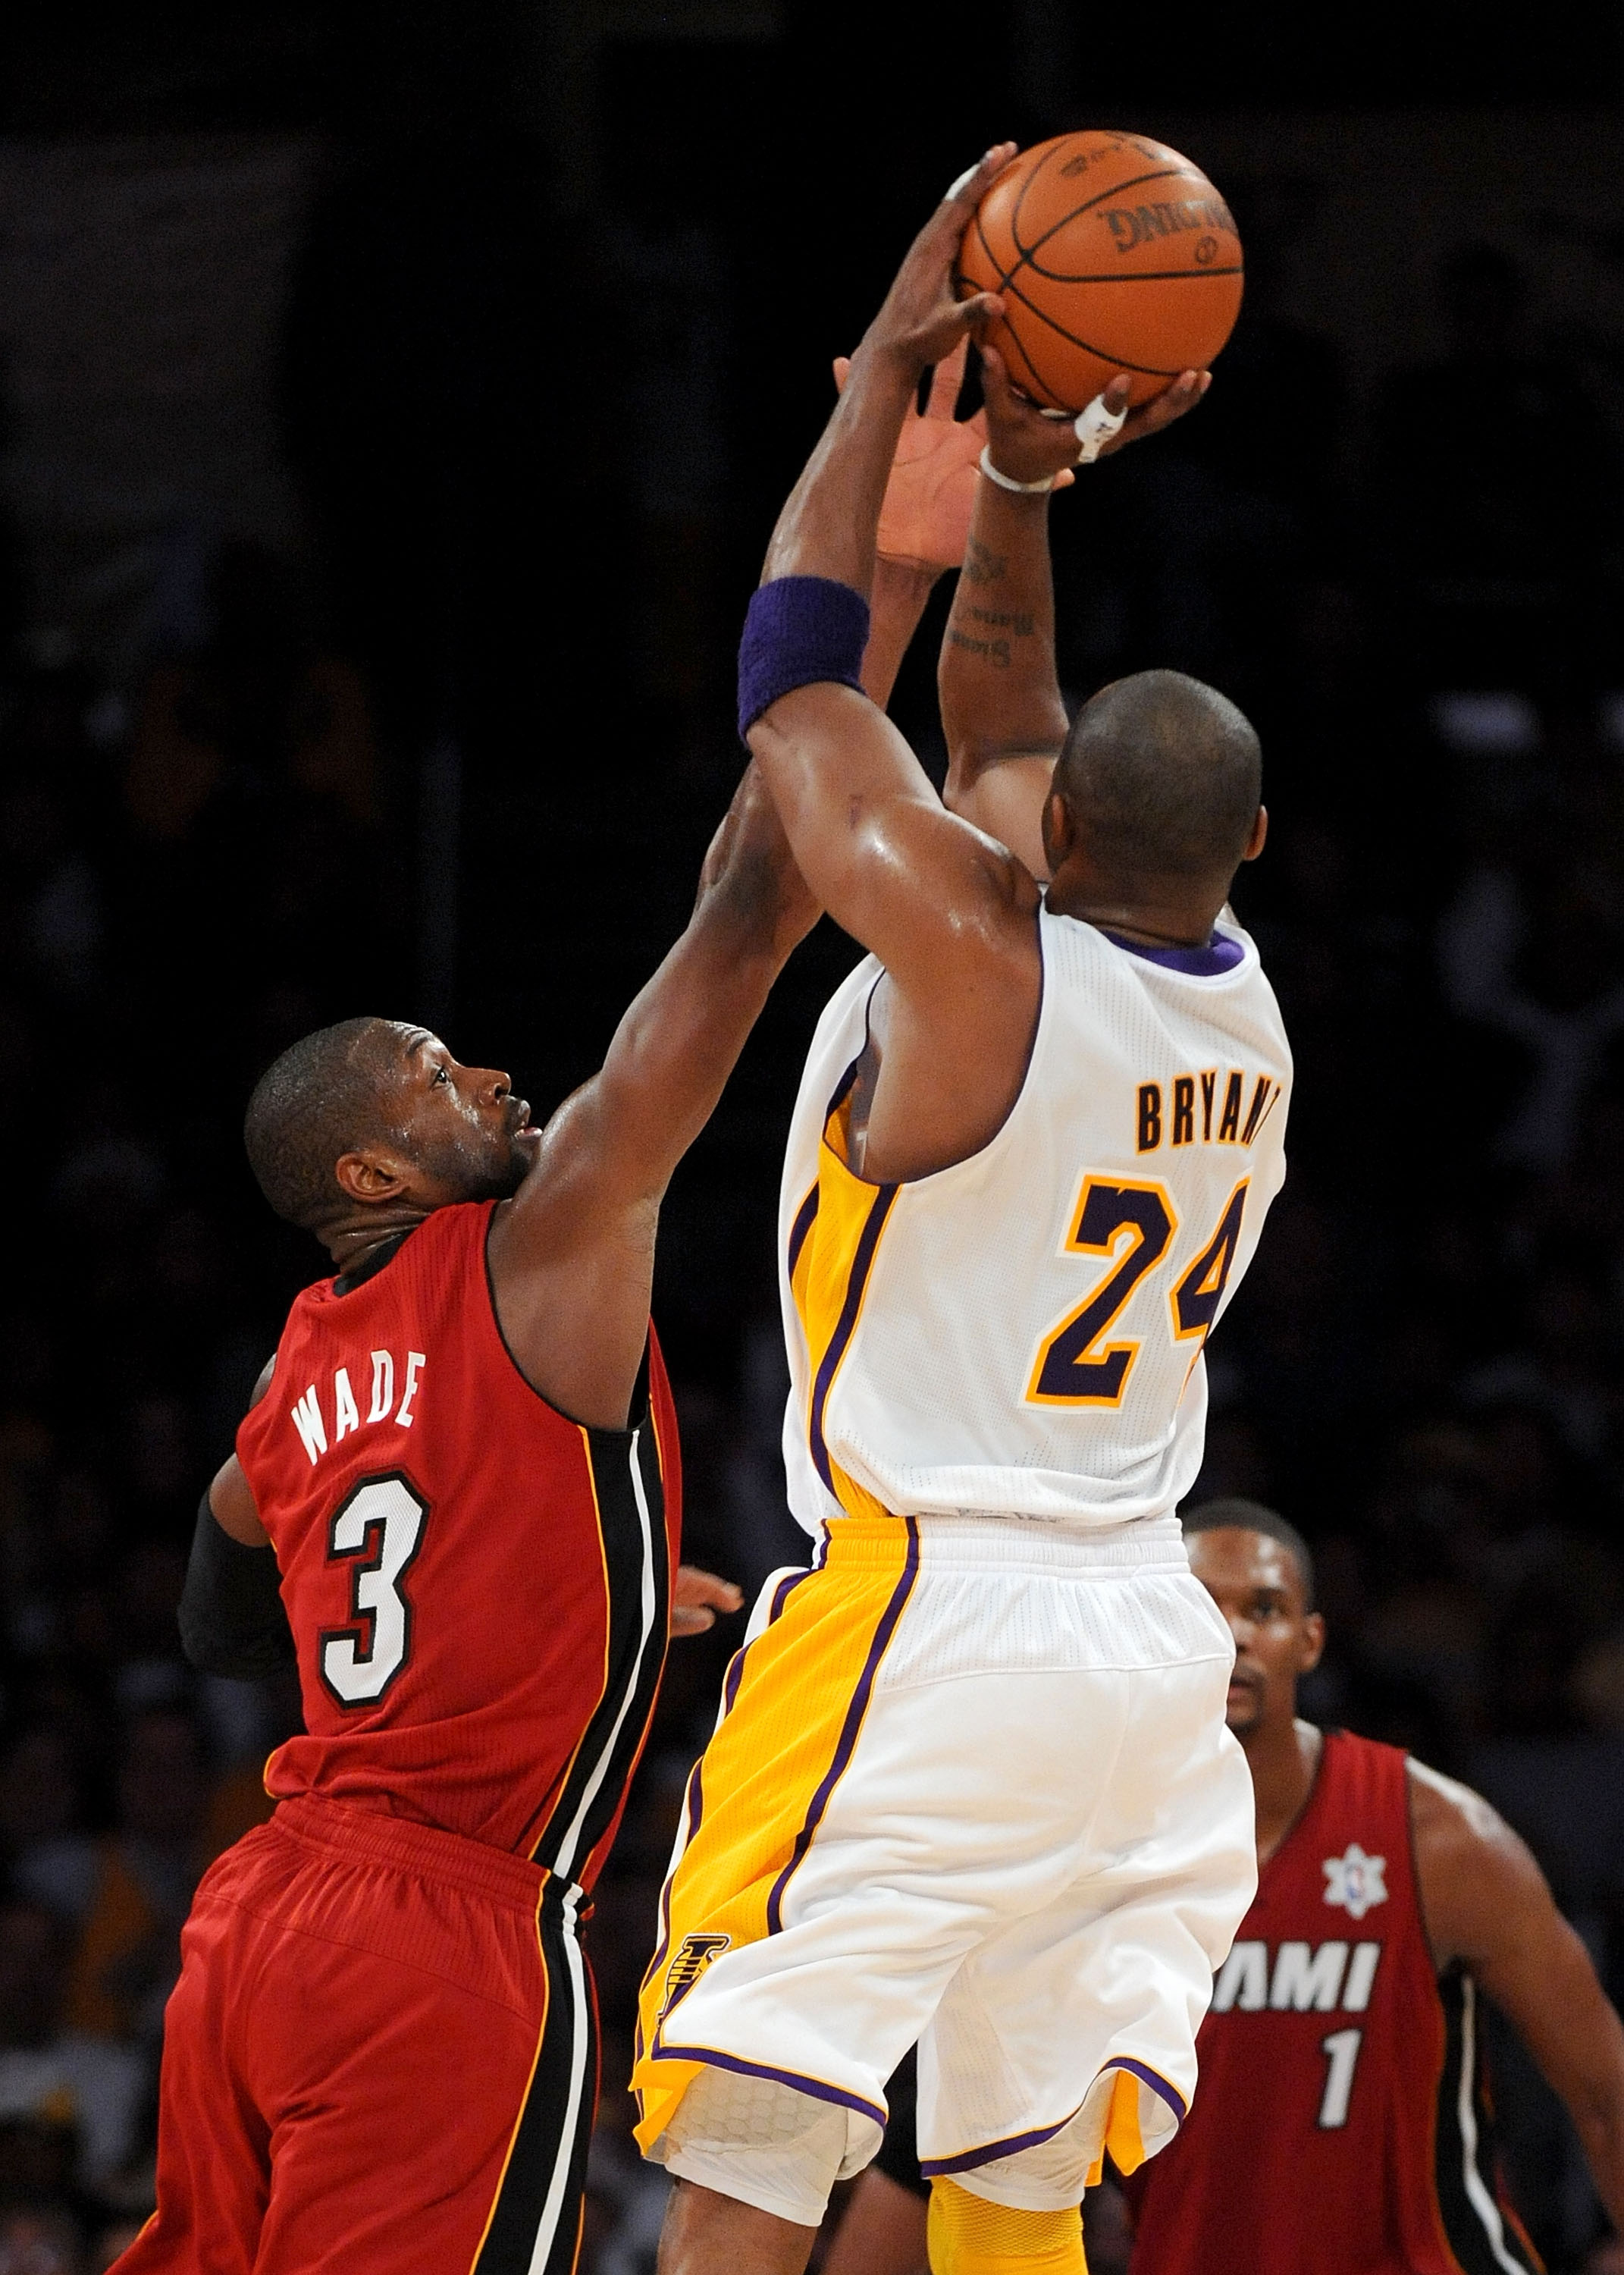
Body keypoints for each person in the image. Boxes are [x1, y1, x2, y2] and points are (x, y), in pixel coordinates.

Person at [632, 150, 1293, 2275]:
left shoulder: (978, 951)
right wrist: (1020, 468)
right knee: (1014, 2156)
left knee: (757, 2094)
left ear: (1059, 827)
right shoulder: (1242, 1007)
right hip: (1135, 1640)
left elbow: (800, 692)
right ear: (1243, 842)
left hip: (936, 1599)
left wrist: (888, 378)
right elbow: (1000, 702)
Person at [113, 764, 816, 2275]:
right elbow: (747, 921)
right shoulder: (540, 1240)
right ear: (369, 1171)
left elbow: (218, 1597)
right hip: (439, 1933)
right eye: (437, 1075)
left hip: (262, 1919)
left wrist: (533, 1594)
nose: (491, 1077)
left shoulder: (293, 1363)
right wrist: (838, 653)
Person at [827, 1501, 1624, 2275]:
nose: (1234, 1634)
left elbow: (1605, 2092)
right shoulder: (1072, 1857)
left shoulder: (1438, 1839)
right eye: (1200, 1605)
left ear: (1310, 1642)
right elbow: (949, 2126)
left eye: (1266, 1609)